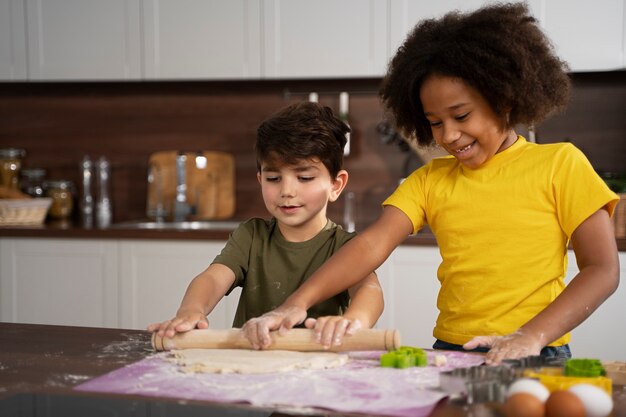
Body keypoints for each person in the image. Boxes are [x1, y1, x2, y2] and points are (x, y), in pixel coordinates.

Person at [241, 3, 620, 364]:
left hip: (537, 350)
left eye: (461, 115)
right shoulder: (430, 180)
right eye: (435, 122)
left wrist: (532, 335)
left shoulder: (560, 164)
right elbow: (370, 245)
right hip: (450, 350)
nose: (450, 135)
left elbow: (601, 269)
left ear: (504, 99)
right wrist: (297, 302)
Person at [148, 102, 384, 348]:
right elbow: (212, 278)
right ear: (260, 179)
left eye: (304, 178)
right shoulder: (251, 236)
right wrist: (192, 309)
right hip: (252, 364)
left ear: (336, 185)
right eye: (273, 178)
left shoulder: (346, 246)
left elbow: (370, 291)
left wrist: (352, 321)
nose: (287, 191)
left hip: (321, 368)